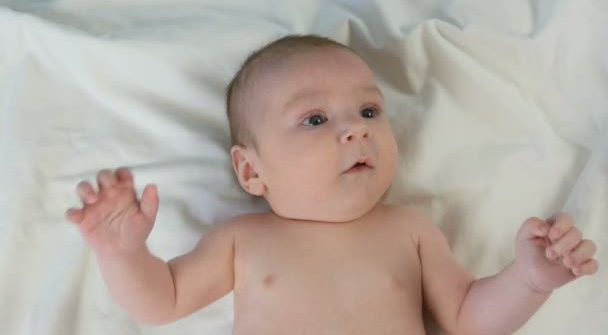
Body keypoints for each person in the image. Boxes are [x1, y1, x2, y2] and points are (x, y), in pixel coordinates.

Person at [65, 35, 599, 334]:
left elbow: (466, 320)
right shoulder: (244, 240)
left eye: (369, 109)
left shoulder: (408, 230)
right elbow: (163, 302)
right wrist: (123, 254)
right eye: (315, 119)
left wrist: (528, 280)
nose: (357, 128)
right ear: (252, 171)